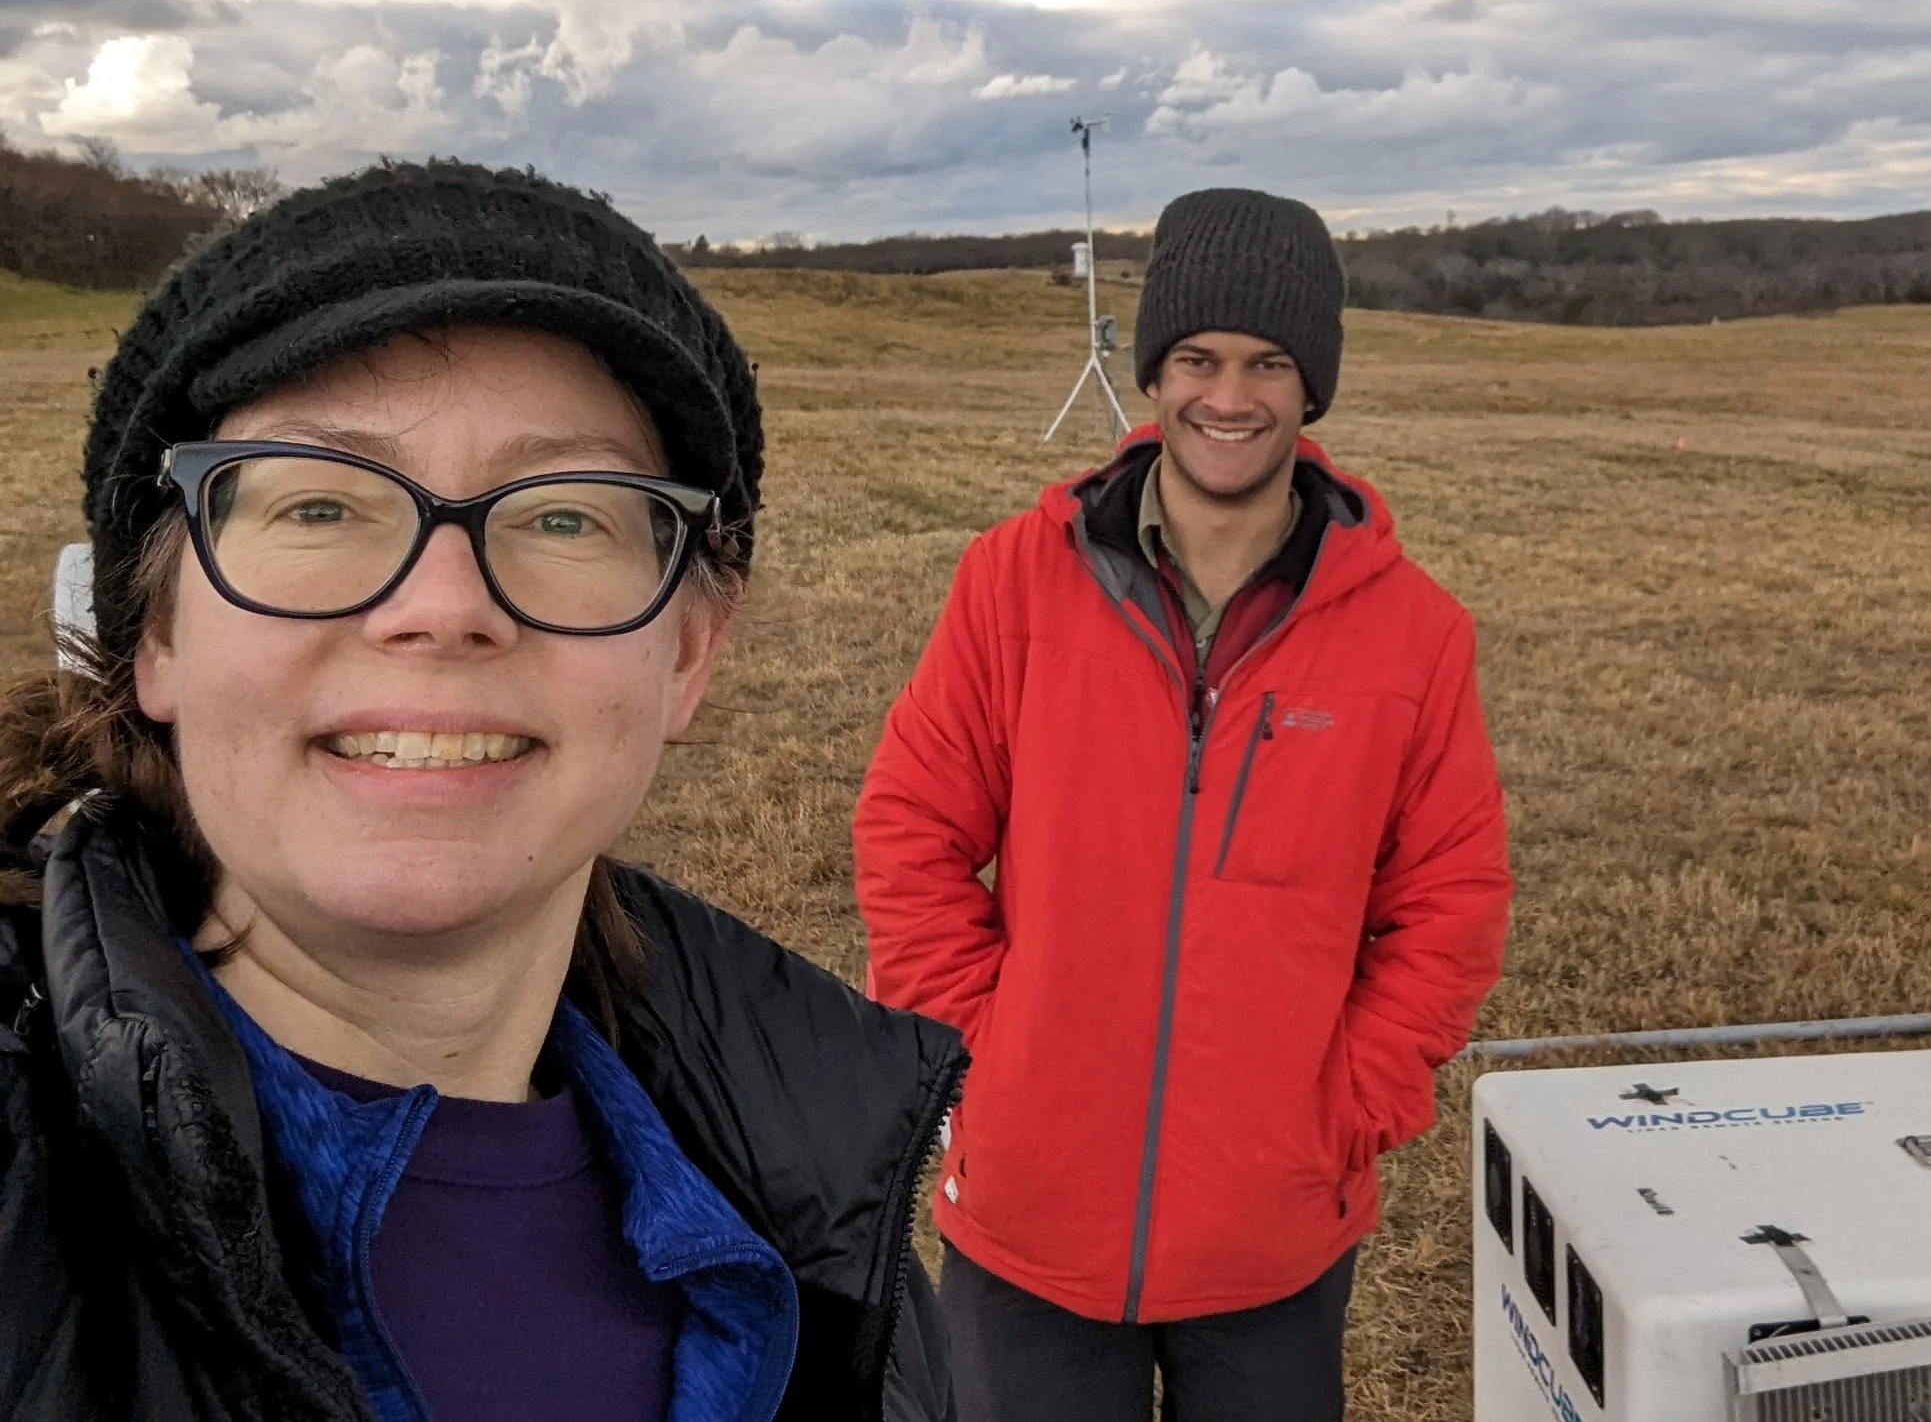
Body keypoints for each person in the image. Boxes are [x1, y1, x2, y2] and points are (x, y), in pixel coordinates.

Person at [0, 161, 965, 1420]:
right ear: (160, 634)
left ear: (687, 653)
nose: (443, 606)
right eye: (319, 502)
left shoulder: (823, 1216)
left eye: (565, 517)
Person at [853, 187, 1512, 1421]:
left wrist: (1346, 1103)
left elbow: (1451, 902)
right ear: (1152, 372)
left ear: (1312, 388)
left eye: (1269, 363)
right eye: (1198, 358)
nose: (1230, 396)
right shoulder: (1012, 581)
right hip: (1031, 1219)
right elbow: (910, 831)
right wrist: (983, 1057)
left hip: (1274, 1227)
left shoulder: (1414, 634)